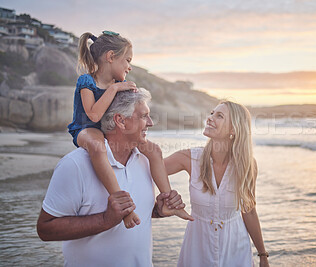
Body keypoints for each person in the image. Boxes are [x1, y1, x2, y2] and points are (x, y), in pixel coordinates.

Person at [37, 88, 192, 266]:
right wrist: (105, 220)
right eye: (143, 116)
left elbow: (138, 212)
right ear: (120, 121)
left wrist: (158, 211)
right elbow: (45, 229)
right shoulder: (75, 165)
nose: (150, 123)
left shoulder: (146, 161)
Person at [67, 31, 189, 228]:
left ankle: (169, 200)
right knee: (98, 148)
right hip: (86, 128)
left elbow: (129, 109)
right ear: (110, 57)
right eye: (127, 60)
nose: (129, 67)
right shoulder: (87, 81)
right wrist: (114, 90)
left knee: (154, 150)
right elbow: (93, 116)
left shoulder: (120, 83)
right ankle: (122, 205)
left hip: (110, 128)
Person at [164, 101, 270, 267]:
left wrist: (263, 254)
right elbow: (149, 171)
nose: (210, 118)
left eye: (219, 116)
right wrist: (165, 194)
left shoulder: (248, 165)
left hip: (236, 249)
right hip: (197, 248)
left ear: (233, 130)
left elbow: (249, 211)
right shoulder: (189, 158)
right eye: (212, 113)